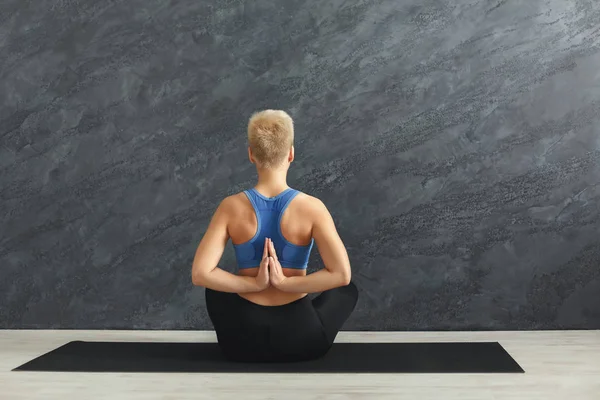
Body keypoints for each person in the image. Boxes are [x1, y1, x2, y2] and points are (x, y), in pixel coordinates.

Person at [191, 110, 358, 362]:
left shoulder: (230, 206)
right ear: (291, 153)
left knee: (214, 288)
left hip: (240, 343)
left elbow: (200, 273)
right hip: (303, 340)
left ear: (251, 155)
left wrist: (253, 285)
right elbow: (342, 274)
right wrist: (287, 285)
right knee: (347, 290)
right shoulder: (312, 207)